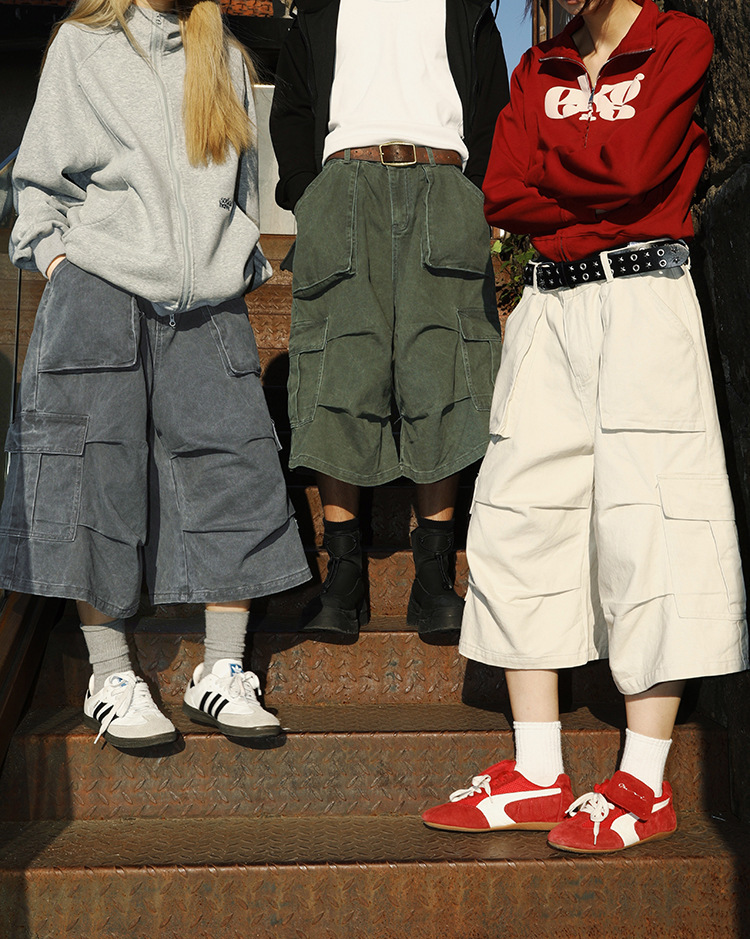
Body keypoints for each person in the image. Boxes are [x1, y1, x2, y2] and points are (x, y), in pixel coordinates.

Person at [422, 0, 748, 852]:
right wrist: (597, 178)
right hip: (547, 308)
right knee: (517, 517)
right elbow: (501, 189)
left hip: (643, 299)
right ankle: (538, 769)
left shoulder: (677, 41)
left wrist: (557, 172)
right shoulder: (538, 68)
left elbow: (637, 169)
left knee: (651, 523)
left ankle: (644, 781)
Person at [0, 0, 311, 750]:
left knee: (236, 467)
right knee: (91, 472)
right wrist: (59, 261)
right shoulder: (82, 44)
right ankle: (110, 675)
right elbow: (38, 178)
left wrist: (240, 262)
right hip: (98, 287)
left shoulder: (224, 54)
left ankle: (223, 669)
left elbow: (242, 185)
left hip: (209, 303)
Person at [269, 0, 509, 644]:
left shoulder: (468, 8)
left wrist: (476, 196)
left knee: (444, 369)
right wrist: (309, 192)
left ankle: (434, 575)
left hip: (444, 182)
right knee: (338, 370)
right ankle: (344, 572)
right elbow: (291, 109)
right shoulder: (316, 7)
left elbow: (495, 105)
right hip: (342, 185)